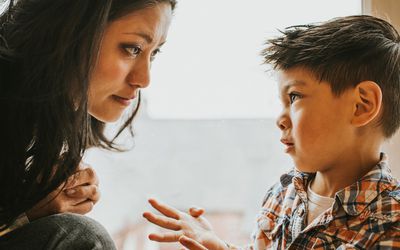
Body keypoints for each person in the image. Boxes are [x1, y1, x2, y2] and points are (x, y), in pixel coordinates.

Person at [143, 15, 400, 249]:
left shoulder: (392, 221)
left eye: (295, 96)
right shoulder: (282, 193)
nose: (280, 119)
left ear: (361, 105)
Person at [0, 0, 176, 249]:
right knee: (81, 236)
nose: (144, 79)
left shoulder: (49, 123)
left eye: (154, 53)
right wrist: (22, 215)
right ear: (71, 30)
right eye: (132, 49)